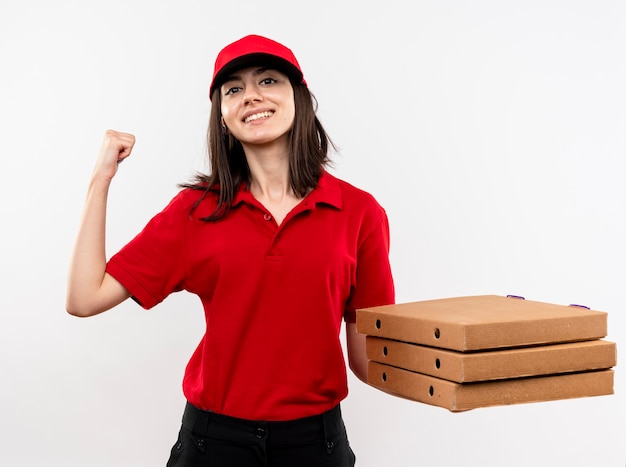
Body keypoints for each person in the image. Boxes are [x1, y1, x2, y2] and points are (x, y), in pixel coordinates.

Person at [66, 34, 395, 467]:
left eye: (269, 81)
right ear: (222, 117)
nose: (252, 96)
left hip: (315, 445)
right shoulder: (196, 211)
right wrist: (100, 180)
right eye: (234, 89)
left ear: (300, 99)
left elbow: (369, 360)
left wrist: (453, 376)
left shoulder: (359, 212)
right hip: (213, 443)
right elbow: (84, 297)